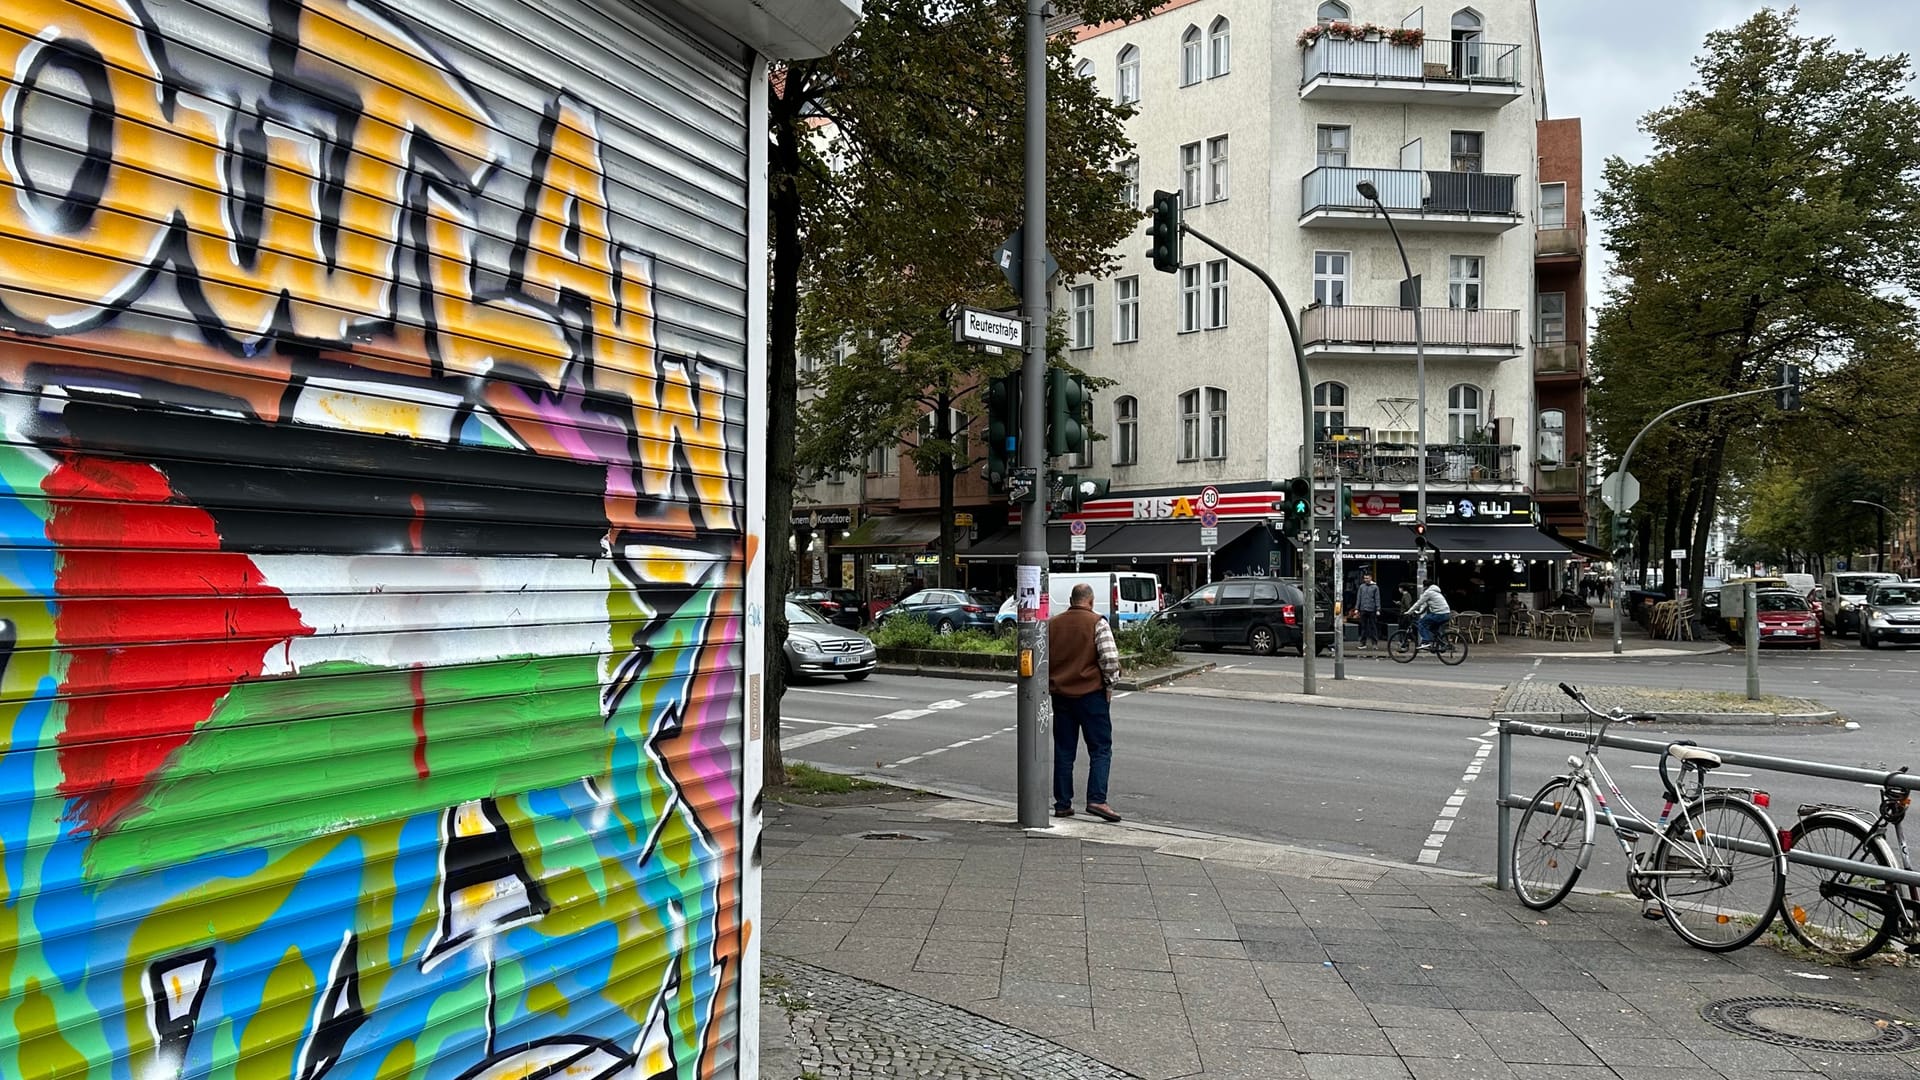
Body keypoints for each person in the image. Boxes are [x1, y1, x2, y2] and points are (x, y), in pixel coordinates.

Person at [1049, 583, 1121, 822]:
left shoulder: (1053, 624)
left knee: (1064, 750)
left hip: (1061, 696)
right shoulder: (1097, 622)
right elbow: (1110, 660)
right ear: (1090, 601)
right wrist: (1109, 686)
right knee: (1100, 749)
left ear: (1071, 600)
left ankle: (1062, 803)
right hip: (1091, 696)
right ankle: (1097, 799)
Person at [1405, 581, 1453, 647]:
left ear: (1426, 586)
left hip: (1439, 614)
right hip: (1446, 614)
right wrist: (1419, 612)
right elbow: (1425, 605)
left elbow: (1418, 603)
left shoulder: (1428, 592)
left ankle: (1425, 641)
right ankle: (1442, 643)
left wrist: (1409, 612)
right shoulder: (1437, 592)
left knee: (1421, 623)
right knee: (1432, 628)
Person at [1356, 574, 1383, 651]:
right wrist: (1357, 608)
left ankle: (1374, 643)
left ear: (1370, 578)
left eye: (1367, 578)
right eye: (1364, 578)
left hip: (1372, 609)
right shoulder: (1361, 587)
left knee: (1373, 627)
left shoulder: (1375, 587)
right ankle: (1363, 643)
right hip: (1363, 609)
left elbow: (1377, 598)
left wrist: (1378, 609)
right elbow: (1359, 597)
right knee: (1363, 627)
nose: (1366, 580)